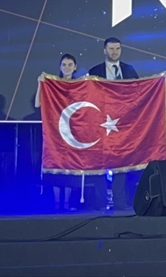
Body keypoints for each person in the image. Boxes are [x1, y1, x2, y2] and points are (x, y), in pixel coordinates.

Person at [86, 38, 138, 211]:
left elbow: (138, 93)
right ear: (104, 50)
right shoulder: (94, 71)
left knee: (122, 161)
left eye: (117, 48)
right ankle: (100, 202)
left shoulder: (129, 70)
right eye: (111, 48)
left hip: (123, 123)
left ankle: (120, 201)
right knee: (100, 162)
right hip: (101, 123)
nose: (114, 52)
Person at [36, 54, 80, 211]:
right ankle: (56, 204)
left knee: (70, 167)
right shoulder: (53, 83)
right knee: (56, 165)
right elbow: (38, 104)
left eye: (70, 64)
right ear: (60, 66)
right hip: (55, 131)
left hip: (72, 131)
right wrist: (40, 84)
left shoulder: (80, 85)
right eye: (64, 64)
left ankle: (66, 203)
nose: (67, 67)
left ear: (75, 67)